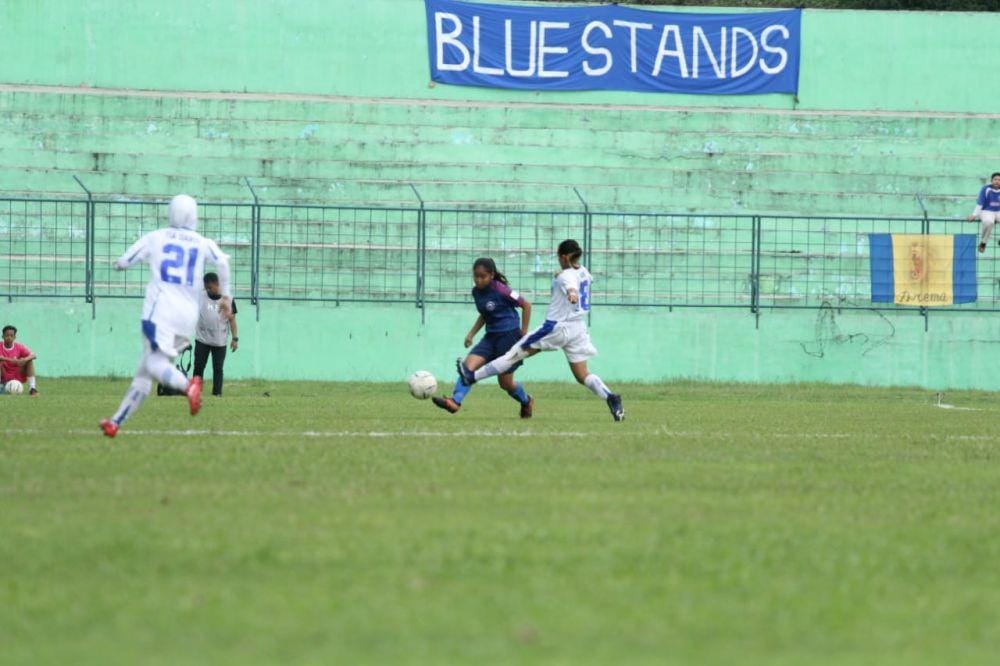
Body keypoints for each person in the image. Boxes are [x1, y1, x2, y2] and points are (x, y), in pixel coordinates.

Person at [100, 194, 232, 438]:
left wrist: (118, 264)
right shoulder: (203, 242)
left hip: (160, 311)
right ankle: (116, 422)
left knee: (154, 364)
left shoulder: (156, 237)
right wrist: (227, 297)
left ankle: (188, 386)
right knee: (144, 373)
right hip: (187, 316)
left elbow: (124, 260)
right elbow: (222, 262)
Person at [457, 239, 624, 422]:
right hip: (578, 328)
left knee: (512, 354)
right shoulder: (583, 272)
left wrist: (571, 293)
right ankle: (611, 397)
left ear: (563, 256)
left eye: (558, 256)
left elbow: (571, 288)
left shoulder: (565, 277)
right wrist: (565, 279)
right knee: (582, 374)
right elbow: (579, 280)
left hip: (556, 327)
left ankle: (472, 376)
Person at [432, 257, 534, 417]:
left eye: (483, 276)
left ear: (491, 275)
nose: (479, 280)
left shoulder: (502, 290)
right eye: (476, 276)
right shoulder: (476, 292)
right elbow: (485, 314)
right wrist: (471, 334)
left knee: (505, 383)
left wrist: (524, 331)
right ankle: (455, 401)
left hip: (509, 337)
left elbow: (526, 305)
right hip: (491, 337)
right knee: (467, 368)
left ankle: (526, 401)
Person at [194, 272, 238, 396]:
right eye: (206, 287)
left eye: (210, 287)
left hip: (220, 341)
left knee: (218, 369)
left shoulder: (228, 299)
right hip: (202, 339)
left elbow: (232, 321)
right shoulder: (200, 296)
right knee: (198, 366)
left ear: (217, 284)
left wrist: (235, 339)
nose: (208, 290)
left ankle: (217, 393)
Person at [0, 325, 39, 395]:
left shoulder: (19, 346)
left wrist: (24, 359)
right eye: (7, 335)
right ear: (2, 336)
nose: (9, 337)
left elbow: (33, 355)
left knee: (29, 361)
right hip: (4, 374)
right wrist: (11, 360)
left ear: (14, 337)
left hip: (17, 374)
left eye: (11, 336)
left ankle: (32, 389)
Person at [967, 172, 1000, 253]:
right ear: (991, 180)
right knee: (989, 222)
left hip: (998, 211)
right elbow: (980, 203)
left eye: (999, 180)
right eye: (995, 179)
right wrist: (974, 215)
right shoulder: (986, 189)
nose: (997, 181)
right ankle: (983, 243)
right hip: (986, 211)